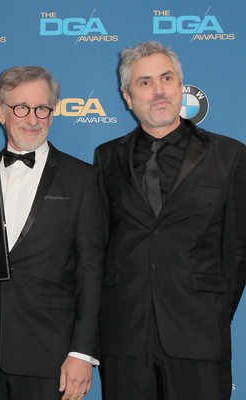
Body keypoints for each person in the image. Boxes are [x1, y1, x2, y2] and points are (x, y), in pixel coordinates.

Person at [95, 41, 246, 400]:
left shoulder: (230, 155)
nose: (159, 90)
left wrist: (209, 311)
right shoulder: (106, 158)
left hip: (199, 334)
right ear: (128, 97)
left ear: (181, 85)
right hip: (125, 338)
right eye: (145, 82)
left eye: (166, 78)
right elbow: (98, 245)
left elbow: (237, 251)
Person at [0, 66, 104, 400]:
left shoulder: (83, 179)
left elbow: (92, 272)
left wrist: (81, 353)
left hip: (53, 356)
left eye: (42, 108)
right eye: (21, 107)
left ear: (53, 110)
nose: (32, 119)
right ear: (0, 111)